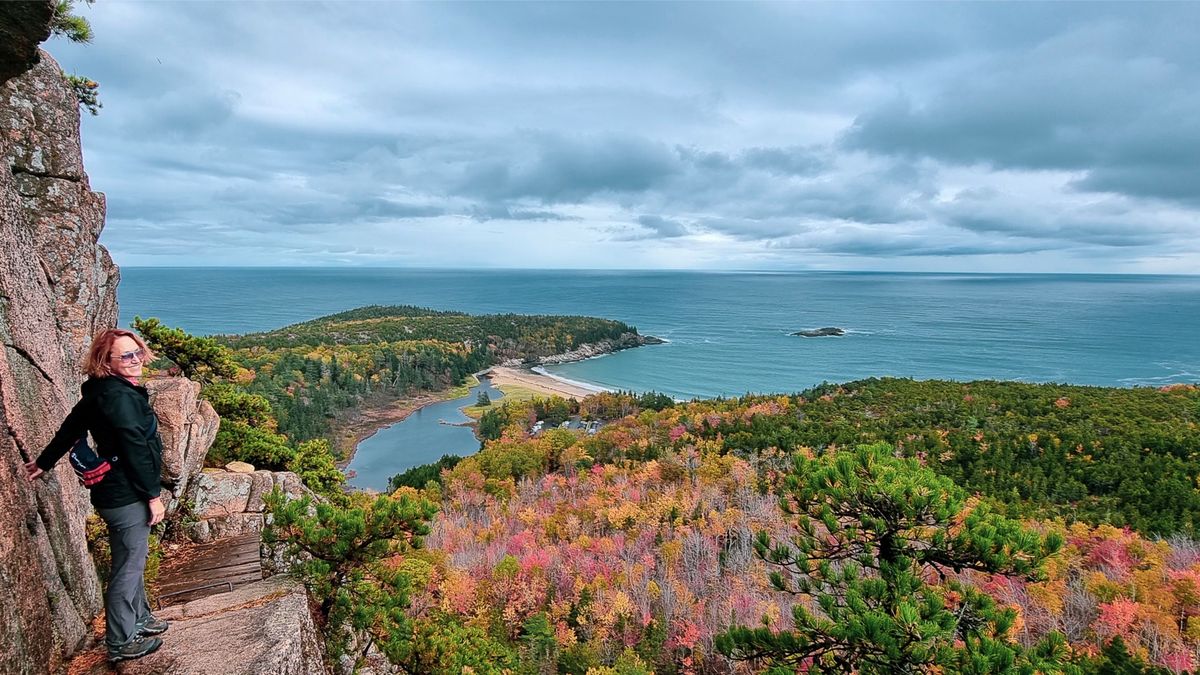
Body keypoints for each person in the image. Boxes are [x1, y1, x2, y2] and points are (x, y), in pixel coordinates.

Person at [24, 328, 169, 663]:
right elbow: (135, 446)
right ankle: (121, 641)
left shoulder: (99, 391)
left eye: (138, 353)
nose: (136, 361)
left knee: (134, 557)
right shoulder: (119, 397)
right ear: (108, 361)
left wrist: (44, 462)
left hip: (113, 491)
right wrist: (152, 495)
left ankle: (140, 618)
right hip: (126, 493)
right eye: (126, 356)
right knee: (129, 565)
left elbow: (70, 428)